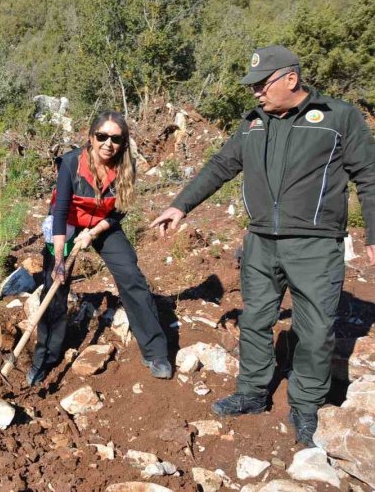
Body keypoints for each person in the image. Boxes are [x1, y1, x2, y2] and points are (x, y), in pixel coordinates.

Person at [151, 45, 375, 447]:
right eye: (252, 86)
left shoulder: (337, 117)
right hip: (260, 243)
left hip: (315, 245)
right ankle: (253, 393)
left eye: (261, 84)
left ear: (291, 78)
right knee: (255, 320)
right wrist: (180, 205)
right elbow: (221, 166)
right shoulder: (253, 122)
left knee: (315, 329)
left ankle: (306, 406)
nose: (255, 92)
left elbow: (369, 176)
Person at [29, 110, 172, 387]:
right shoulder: (71, 163)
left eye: (116, 139)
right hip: (67, 223)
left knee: (131, 276)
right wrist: (60, 258)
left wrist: (93, 233)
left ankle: (155, 352)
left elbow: (119, 212)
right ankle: (46, 356)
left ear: (123, 142)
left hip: (102, 225)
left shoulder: (125, 166)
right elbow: (59, 212)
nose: (109, 143)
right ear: (91, 138)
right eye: (102, 136)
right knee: (55, 283)